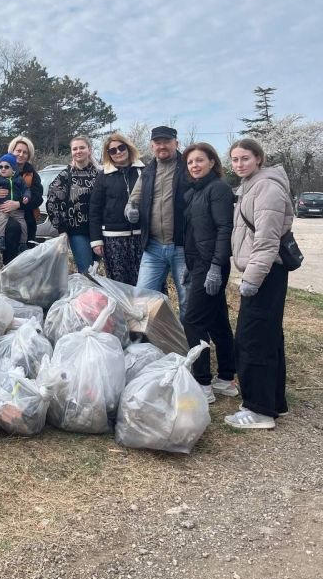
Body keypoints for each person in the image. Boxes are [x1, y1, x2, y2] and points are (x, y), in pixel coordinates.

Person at [224, 138, 294, 430]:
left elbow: (266, 241)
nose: (239, 164)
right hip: (263, 273)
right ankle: (274, 401)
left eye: (245, 159)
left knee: (252, 340)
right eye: (235, 159)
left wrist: (251, 279)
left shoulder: (267, 188)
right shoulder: (251, 186)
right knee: (268, 338)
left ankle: (259, 410)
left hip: (264, 274)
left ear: (259, 158)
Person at [182, 142, 237, 404]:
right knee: (217, 321)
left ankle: (202, 383)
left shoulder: (219, 189)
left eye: (199, 160)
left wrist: (216, 266)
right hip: (199, 263)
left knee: (192, 320)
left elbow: (224, 229)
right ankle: (226, 378)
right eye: (191, 162)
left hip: (211, 264)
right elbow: (193, 233)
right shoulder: (196, 191)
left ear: (212, 162)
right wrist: (190, 267)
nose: (194, 165)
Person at [125, 126, 190, 319]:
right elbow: (132, 200)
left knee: (187, 300)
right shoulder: (147, 172)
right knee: (141, 298)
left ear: (176, 144)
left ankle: (187, 343)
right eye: (158, 142)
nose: (162, 146)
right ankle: (145, 343)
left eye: (167, 142)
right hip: (153, 248)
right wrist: (130, 211)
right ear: (152, 146)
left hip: (182, 247)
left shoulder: (188, 168)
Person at [89, 132, 144, 284]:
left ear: (128, 148)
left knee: (144, 283)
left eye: (121, 147)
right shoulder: (103, 176)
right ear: (108, 154)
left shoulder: (143, 172)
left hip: (141, 236)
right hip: (113, 239)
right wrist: (96, 240)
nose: (118, 152)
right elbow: (94, 210)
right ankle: (124, 309)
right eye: (112, 150)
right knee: (120, 284)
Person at [46, 135, 100, 273]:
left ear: (89, 150)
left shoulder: (100, 174)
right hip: (78, 231)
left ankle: (96, 295)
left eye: (82, 147)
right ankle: (87, 294)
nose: (78, 151)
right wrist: (62, 229)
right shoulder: (65, 175)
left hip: (99, 231)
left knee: (96, 271)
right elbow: (53, 201)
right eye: (75, 149)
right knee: (86, 272)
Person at [2, 135, 44, 264]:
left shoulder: (32, 174)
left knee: (26, 260)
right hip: (6, 220)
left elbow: (37, 198)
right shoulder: (2, 169)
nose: (21, 154)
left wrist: (18, 204)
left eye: (25, 152)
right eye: (18, 151)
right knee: (10, 259)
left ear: (28, 155)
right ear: (12, 151)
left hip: (28, 221)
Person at [0, 152, 31, 255]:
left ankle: (23, 244)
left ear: (13, 169)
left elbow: (26, 190)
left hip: (17, 210)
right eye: (0, 166)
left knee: (23, 226)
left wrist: (26, 197)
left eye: (6, 167)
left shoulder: (19, 179)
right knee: (0, 221)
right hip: (2, 208)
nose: (3, 169)